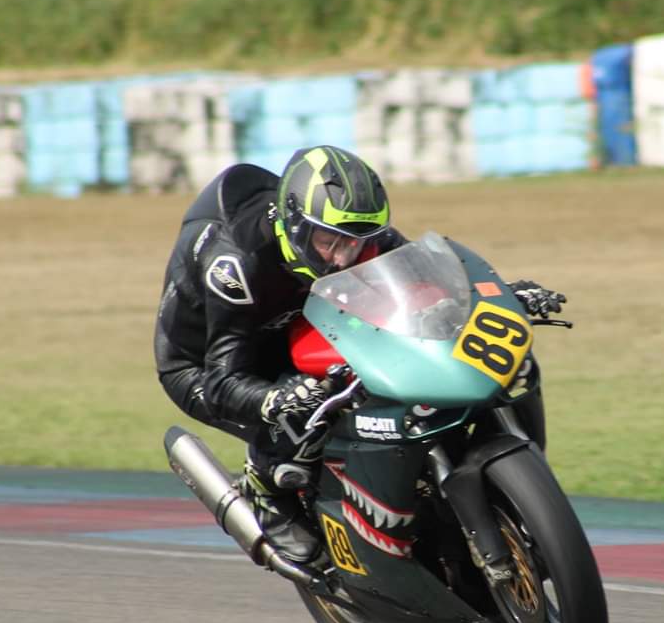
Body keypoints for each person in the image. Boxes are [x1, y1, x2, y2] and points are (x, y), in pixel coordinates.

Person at [154, 145, 565, 563]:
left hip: (307, 318)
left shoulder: (364, 237)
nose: (343, 256)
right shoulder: (236, 265)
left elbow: (430, 288)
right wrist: (274, 399)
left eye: (356, 242)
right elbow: (223, 380)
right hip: (208, 364)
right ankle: (266, 486)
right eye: (329, 241)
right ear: (296, 226)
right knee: (303, 414)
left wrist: (501, 299)